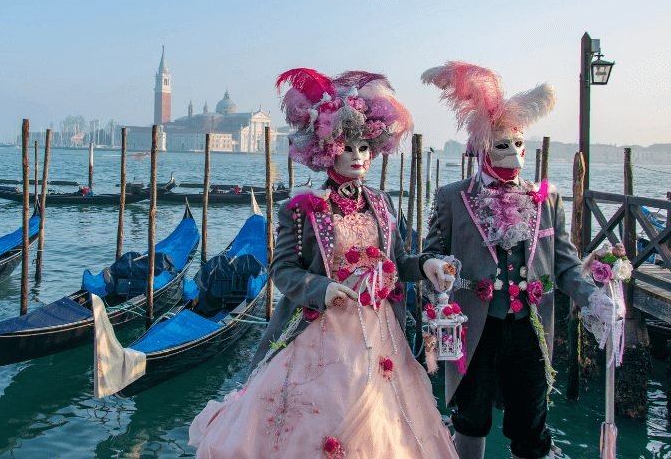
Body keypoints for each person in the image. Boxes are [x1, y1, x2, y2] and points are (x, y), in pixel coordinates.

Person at [189, 69, 458, 458]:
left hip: (380, 331)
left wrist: (427, 264)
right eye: (348, 147)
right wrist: (324, 288)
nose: (358, 156)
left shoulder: (382, 204)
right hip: (321, 332)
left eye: (364, 147)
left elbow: (397, 261)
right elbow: (283, 271)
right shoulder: (302, 209)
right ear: (329, 148)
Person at [420, 62, 617, 459]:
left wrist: (593, 298)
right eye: (502, 144)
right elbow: (430, 255)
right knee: (470, 419)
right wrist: (435, 274)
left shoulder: (548, 200)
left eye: (519, 143)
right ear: (481, 147)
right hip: (474, 327)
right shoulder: (452, 198)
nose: (513, 152)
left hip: (530, 329)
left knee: (531, 425)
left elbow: (564, 263)